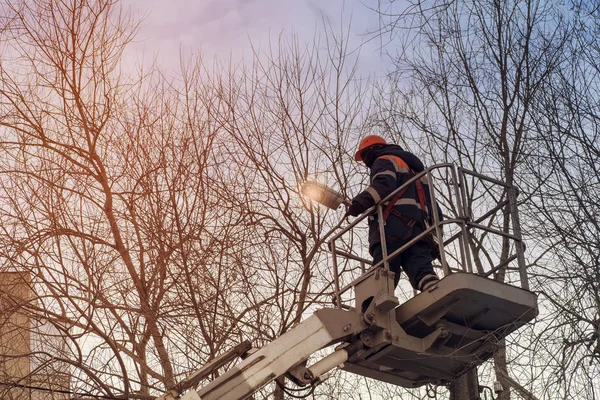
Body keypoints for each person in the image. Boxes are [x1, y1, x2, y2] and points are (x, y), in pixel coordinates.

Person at [345, 135, 441, 292]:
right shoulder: (417, 171)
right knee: (421, 268)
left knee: (385, 271)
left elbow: (382, 185)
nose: (365, 161)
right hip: (420, 230)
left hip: (391, 228)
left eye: (364, 156)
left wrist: (359, 203)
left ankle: (373, 304)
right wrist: (435, 232)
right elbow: (433, 204)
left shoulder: (383, 160)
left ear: (373, 150)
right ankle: (432, 289)